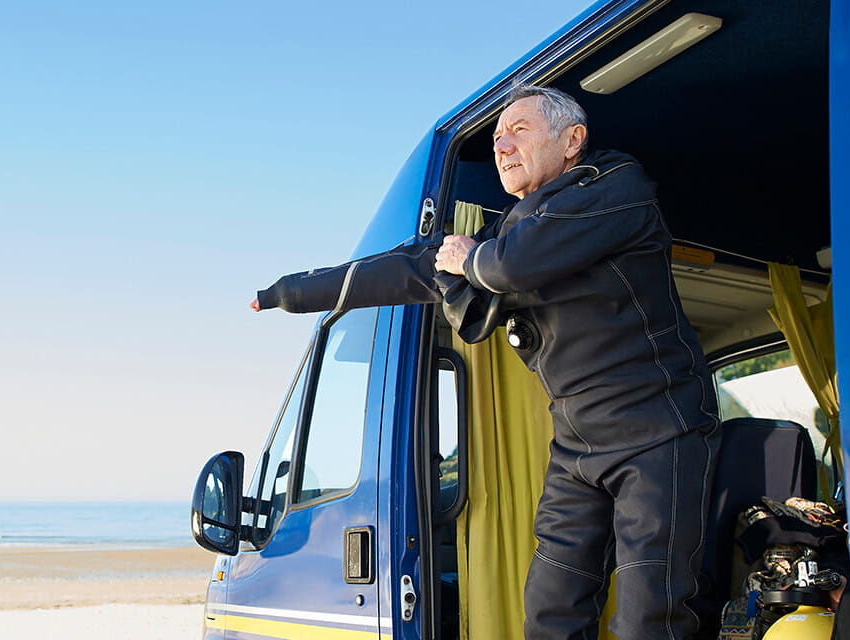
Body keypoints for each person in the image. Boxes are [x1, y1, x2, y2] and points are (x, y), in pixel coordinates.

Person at [250, 84, 720, 640]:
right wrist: (288, 292)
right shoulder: (510, 230)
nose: (502, 146)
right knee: (551, 609)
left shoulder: (615, 187)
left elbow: (509, 268)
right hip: (577, 444)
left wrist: (469, 258)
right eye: (496, 138)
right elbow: (408, 268)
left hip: (658, 430)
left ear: (573, 140)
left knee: (649, 618)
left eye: (518, 130)